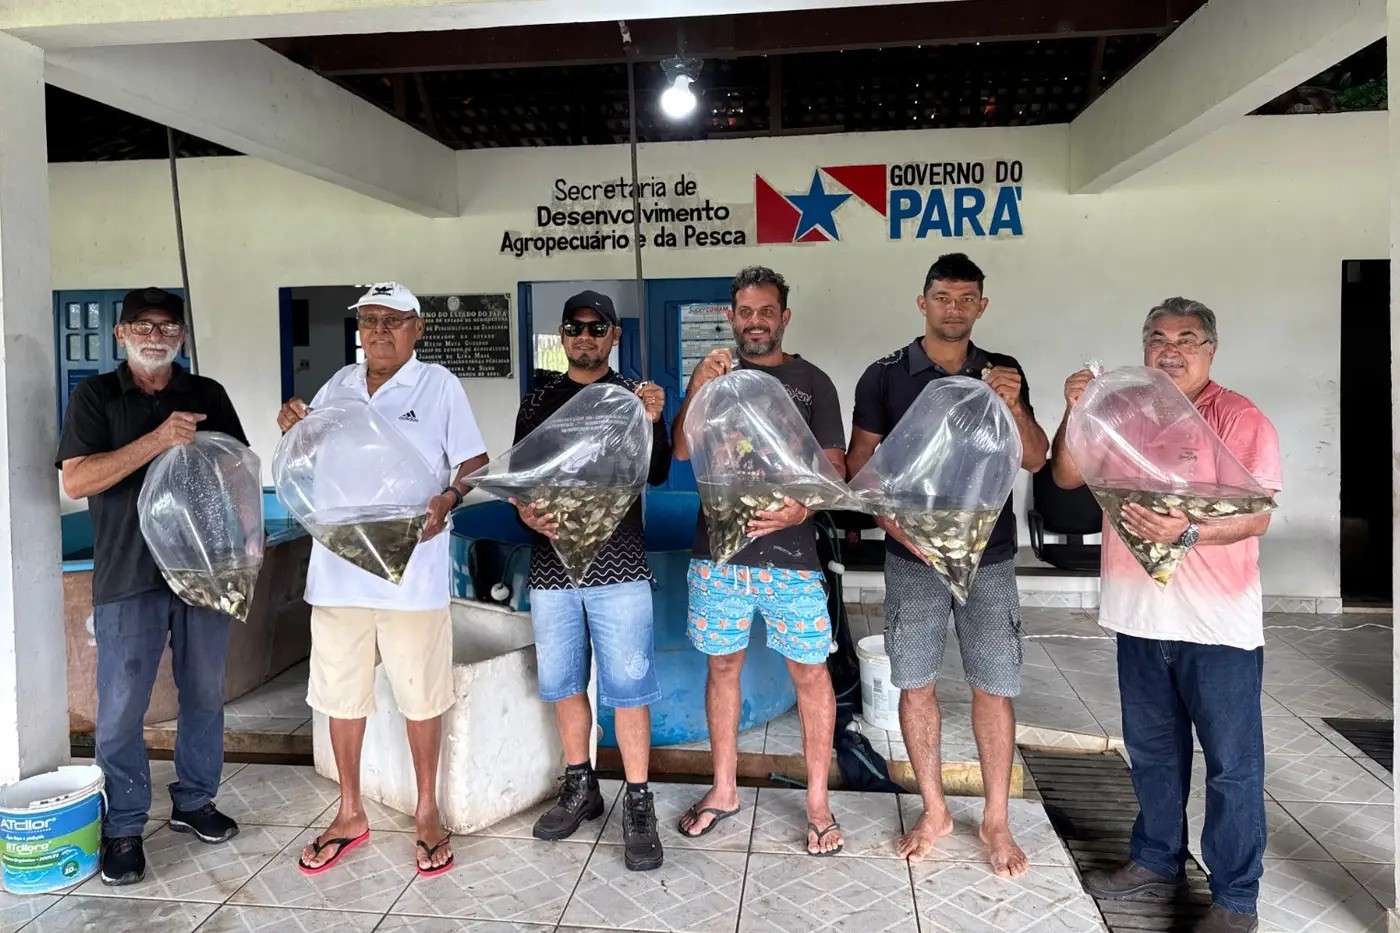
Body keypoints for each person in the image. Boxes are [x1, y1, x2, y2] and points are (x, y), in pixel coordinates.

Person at [1050, 298, 1280, 933]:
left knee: (1231, 764)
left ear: (1210, 350)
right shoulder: (1123, 411)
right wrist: (1077, 408)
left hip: (1217, 625)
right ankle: (1156, 860)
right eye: (1157, 338)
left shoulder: (1238, 417)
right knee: (1152, 752)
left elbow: (1257, 516)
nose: (1170, 350)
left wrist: (1188, 532)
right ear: (1144, 348)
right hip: (1139, 617)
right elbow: (1067, 476)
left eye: (1186, 339)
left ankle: (1236, 897)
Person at [277, 282, 488, 878]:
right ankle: (350, 812)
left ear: (417, 328)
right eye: (369, 320)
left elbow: (474, 463)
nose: (378, 331)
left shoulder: (437, 385)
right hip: (338, 570)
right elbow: (307, 453)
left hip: (410, 574)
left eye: (393, 321)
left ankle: (427, 811)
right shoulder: (338, 386)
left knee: (422, 695)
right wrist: (291, 425)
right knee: (340, 696)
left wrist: (450, 497)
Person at [846, 253, 1048, 876]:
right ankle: (934, 810)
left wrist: (1015, 406)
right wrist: (897, 528)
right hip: (911, 555)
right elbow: (859, 470)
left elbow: (1036, 459)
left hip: (989, 555)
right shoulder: (884, 376)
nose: (953, 309)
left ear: (981, 306)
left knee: (995, 684)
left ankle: (996, 820)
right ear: (923, 302)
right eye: (942, 297)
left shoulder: (1003, 371)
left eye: (966, 299)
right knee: (916, 683)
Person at [57, 288, 249, 886]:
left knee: (204, 694)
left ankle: (195, 801)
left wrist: (243, 547)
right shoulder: (95, 397)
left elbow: (236, 469)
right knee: (120, 708)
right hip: (128, 573)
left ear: (182, 337)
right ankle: (123, 827)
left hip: (202, 571)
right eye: (142, 325)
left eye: (168, 327)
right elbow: (77, 480)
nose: (155, 336)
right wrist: (158, 441)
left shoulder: (207, 394)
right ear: (121, 334)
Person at [672, 266, 847, 856]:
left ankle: (818, 804)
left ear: (784, 317)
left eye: (766, 311)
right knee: (722, 668)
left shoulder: (812, 382)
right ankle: (724, 790)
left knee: (811, 673)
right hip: (718, 556)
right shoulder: (714, 378)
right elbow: (680, 450)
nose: (755, 322)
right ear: (731, 317)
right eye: (745, 312)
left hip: (792, 557)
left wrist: (803, 508)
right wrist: (697, 385)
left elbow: (835, 469)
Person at [511, 291, 671, 872]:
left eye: (596, 327)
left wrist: (656, 419)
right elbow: (520, 475)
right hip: (552, 565)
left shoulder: (632, 396)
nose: (584, 337)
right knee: (562, 683)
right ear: (562, 335)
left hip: (619, 564)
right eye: (574, 328)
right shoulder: (540, 398)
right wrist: (525, 512)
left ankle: (638, 801)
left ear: (613, 335)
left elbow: (657, 472)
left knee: (628, 688)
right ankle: (581, 784)